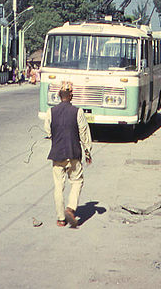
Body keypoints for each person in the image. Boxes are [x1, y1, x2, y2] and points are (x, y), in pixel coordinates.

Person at [44, 81, 92, 228]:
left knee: (58, 186)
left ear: (59, 95)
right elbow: (84, 133)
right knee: (77, 181)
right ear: (71, 95)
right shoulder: (78, 112)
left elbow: (48, 131)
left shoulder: (50, 112)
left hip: (57, 154)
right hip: (73, 154)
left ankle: (60, 219)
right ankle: (70, 208)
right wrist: (88, 151)